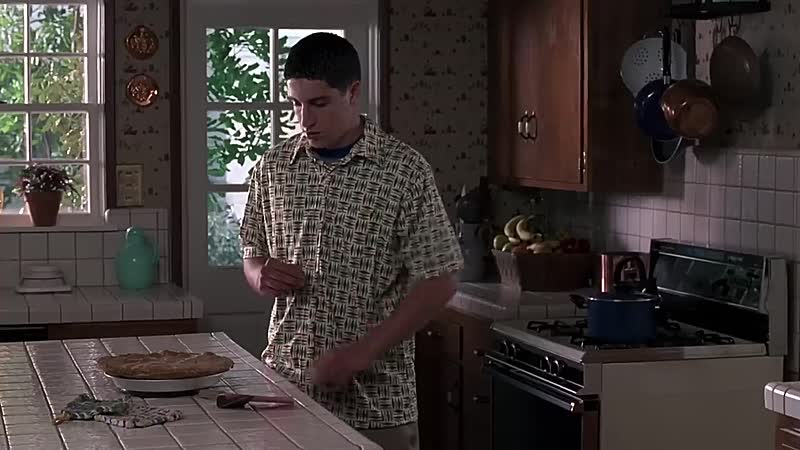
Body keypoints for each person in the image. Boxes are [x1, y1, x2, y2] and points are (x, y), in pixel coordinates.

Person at [239, 32, 464, 450]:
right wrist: (260, 275)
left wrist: (362, 352)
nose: (304, 120)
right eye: (295, 104)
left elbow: (441, 279)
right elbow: (252, 254)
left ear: (353, 92)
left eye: (319, 103)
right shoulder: (273, 168)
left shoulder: (404, 171)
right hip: (286, 391)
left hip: (376, 405)